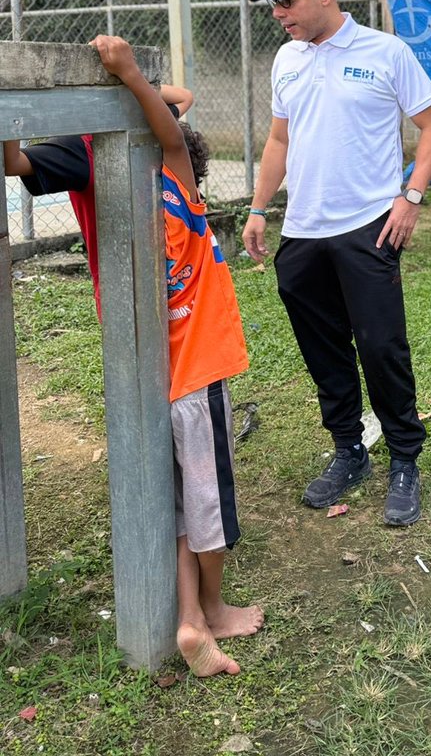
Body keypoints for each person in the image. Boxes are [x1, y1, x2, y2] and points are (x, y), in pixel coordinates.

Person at [242, 0, 431, 527]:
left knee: (381, 345)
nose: (278, 13)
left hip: (368, 226)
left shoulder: (386, 51)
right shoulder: (286, 59)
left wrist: (410, 197)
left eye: (288, 1)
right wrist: (260, 209)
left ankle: (405, 458)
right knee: (323, 349)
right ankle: (349, 448)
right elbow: (280, 141)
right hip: (303, 230)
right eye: (272, 4)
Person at [90, 35, 263, 677]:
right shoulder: (178, 196)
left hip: (151, 384)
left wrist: (119, 86)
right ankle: (213, 610)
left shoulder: (124, 213)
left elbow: (168, 123)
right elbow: (170, 132)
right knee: (208, 504)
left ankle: (189, 620)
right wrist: (131, 74)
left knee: (178, 508)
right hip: (198, 376)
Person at [3, 83, 193, 319]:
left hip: (176, 273)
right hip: (120, 283)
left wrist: (125, 76)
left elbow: (184, 97)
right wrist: (11, 109)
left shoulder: (143, 123)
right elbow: (13, 164)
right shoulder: (76, 148)